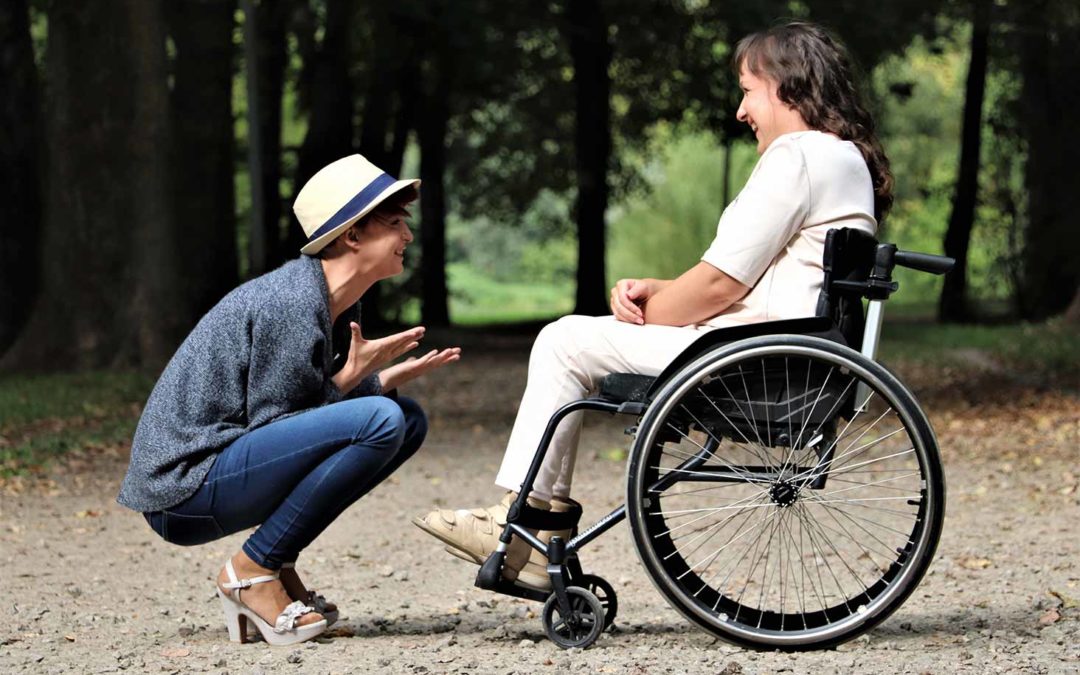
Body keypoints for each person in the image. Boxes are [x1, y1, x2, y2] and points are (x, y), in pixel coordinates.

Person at [414, 21, 892, 591]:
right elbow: (752, 281)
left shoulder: (800, 155)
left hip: (755, 359)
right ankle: (531, 527)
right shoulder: (843, 159)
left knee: (565, 341)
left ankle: (527, 531)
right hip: (786, 350)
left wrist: (648, 311)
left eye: (746, 90)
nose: (741, 111)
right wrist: (657, 290)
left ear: (786, 85)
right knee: (575, 338)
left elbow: (719, 289)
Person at [117, 154, 460, 645]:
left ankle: (272, 561)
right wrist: (355, 380)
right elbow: (279, 424)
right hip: (183, 487)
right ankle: (251, 571)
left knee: (405, 419)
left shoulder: (331, 300)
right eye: (394, 223)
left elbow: (301, 420)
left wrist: (376, 381)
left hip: (225, 467)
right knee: (384, 419)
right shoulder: (291, 302)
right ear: (353, 236)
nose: (407, 236)